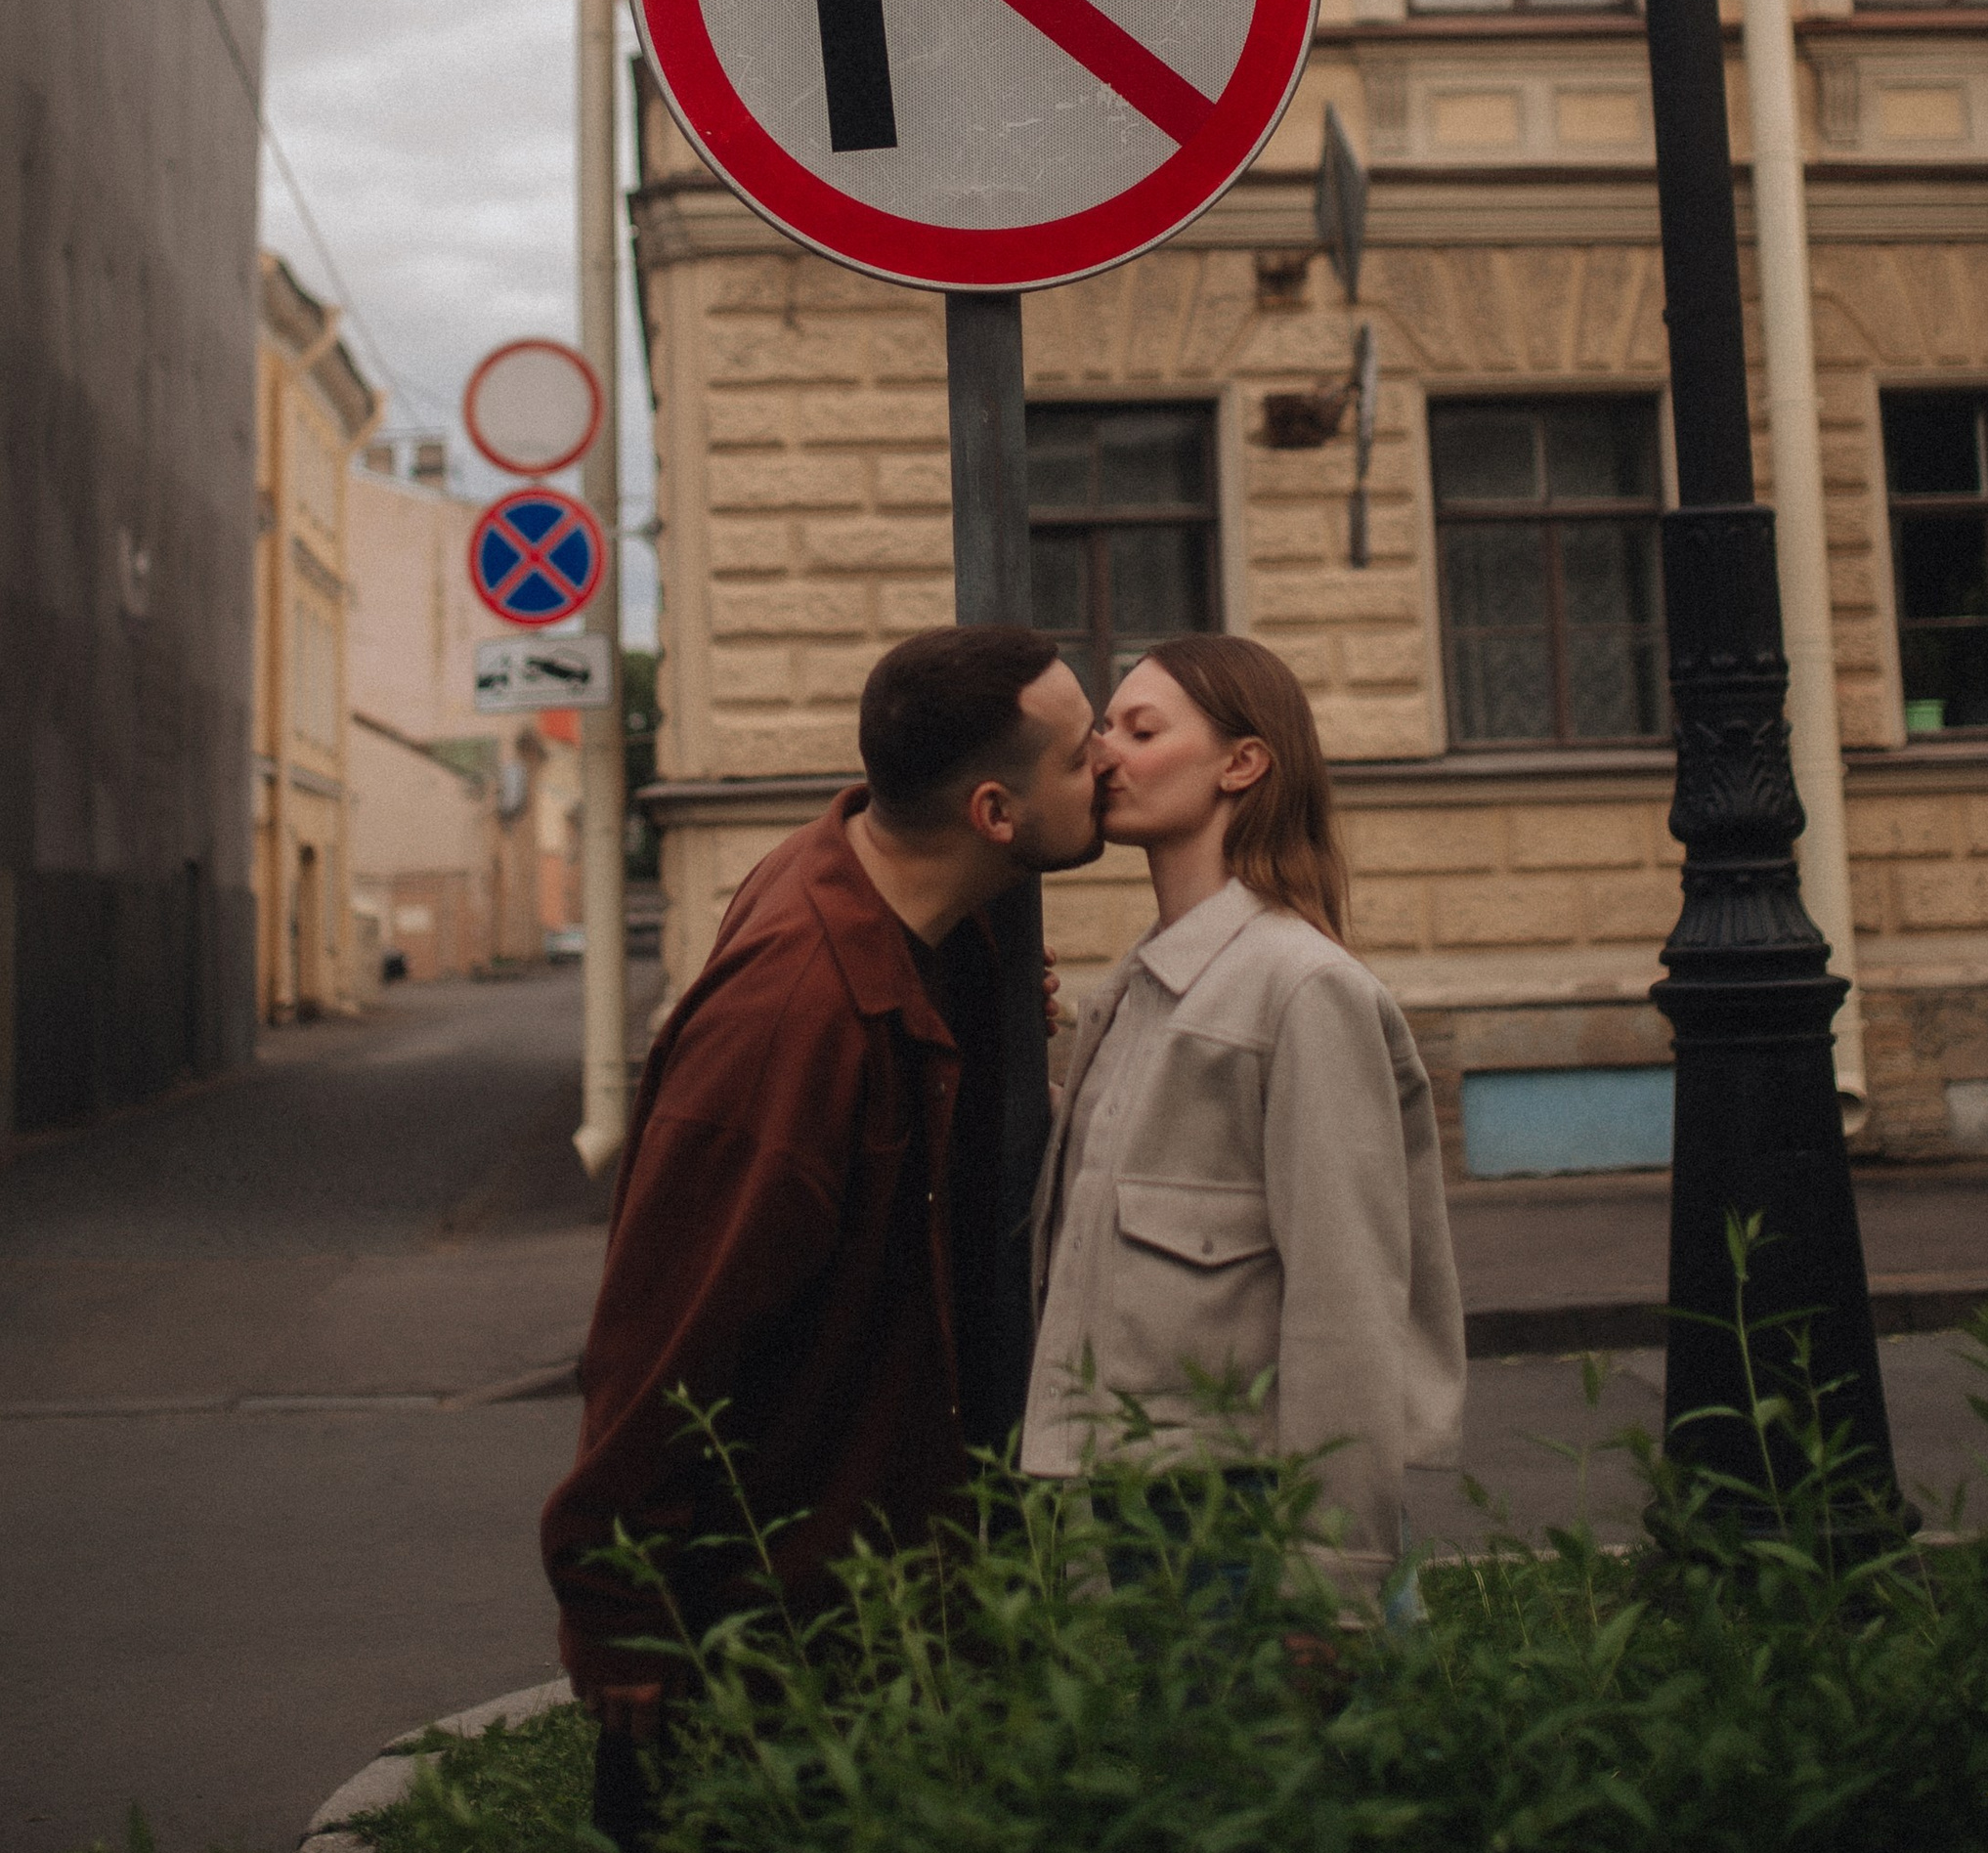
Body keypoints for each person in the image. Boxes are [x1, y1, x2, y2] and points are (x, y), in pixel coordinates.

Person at [540, 623, 1103, 1739]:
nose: (1113, 764)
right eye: (1083, 755)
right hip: (775, 1647)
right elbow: (660, 1335)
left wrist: (991, 1009)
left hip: (876, 1595)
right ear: (993, 814)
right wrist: (623, 1629)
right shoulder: (792, 1020)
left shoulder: (886, 883)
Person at [1023, 634, 1464, 1592]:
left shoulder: (1300, 988)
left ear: (1242, 763)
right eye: (1103, 728)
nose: (1103, 754)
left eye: (1141, 731)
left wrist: (1335, 1576)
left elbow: (1347, 1300)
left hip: (1249, 1515)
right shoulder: (1143, 982)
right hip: (1145, 1498)